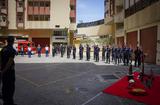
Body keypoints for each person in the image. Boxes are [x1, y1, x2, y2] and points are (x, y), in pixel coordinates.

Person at [0, 36, 17, 105]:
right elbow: (9, 62)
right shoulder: (12, 50)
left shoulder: (3, 49)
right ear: (13, 41)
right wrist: (3, 71)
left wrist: (1, 70)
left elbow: (0, 60)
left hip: (3, 71)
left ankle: (5, 100)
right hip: (9, 72)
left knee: (4, 86)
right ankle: (9, 103)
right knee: (10, 87)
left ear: (7, 41)